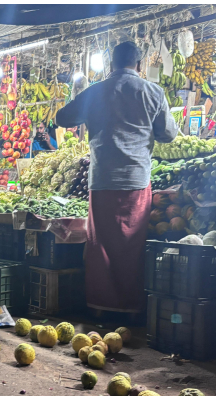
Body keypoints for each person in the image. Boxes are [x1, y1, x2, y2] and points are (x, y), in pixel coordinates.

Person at [55, 41, 178, 321]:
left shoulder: (95, 92)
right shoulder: (153, 92)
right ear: (139, 64)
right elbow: (169, 135)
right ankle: (131, 309)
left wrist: (87, 104)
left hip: (102, 180)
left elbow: (62, 118)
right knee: (131, 246)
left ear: (111, 64)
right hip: (136, 179)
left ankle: (100, 306)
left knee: (101, 245)